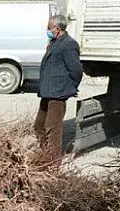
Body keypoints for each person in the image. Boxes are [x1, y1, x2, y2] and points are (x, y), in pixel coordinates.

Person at [34, 14, 82, 167]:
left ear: (57, 29)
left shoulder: (69, 44)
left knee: (53, 129)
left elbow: (76, 70)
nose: (47, 30)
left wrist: (70, 88)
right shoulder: (54, 42)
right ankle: (44, 153)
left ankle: (53, 162)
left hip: (58, 93)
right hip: (47, 92)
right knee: (39, 126)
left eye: (49, 28)